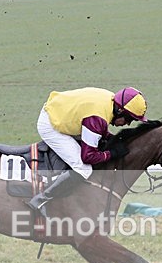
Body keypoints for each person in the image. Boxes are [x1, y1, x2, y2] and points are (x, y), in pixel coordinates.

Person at [26, 86, 146, 215]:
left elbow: (98, 127)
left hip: (61, 112)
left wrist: (112, 140)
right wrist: (112, 153)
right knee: (83, 169)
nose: (127, 124)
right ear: (120, 110)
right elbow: (88, 156)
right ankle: (40, 200)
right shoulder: (97, 118)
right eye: (129, 119)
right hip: (51, 125)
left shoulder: (110, 100)